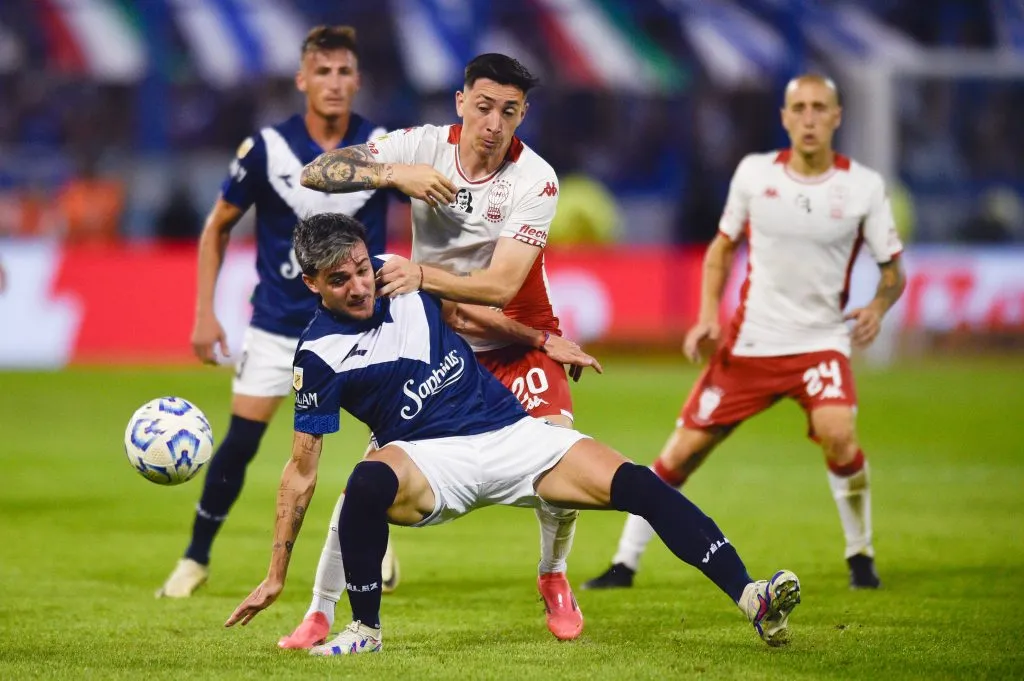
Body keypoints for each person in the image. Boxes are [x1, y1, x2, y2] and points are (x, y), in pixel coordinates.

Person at [224, 213, 801, 655]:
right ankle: (365, 629)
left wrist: (541, 340)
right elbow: (302, 468)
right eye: (339, 279)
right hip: (430, 461)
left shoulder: (397, 274)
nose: (358, 285)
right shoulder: (318, 355)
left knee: (639, 484)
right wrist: (276, 574)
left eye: (358, 266)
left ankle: (752, 598)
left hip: (512, 434)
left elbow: (465, 316)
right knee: (367, 482)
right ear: (312, 284)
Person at [277, 53, 602, 648]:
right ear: (461, 103)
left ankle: (553, 576)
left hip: (513, 327)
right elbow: (314, 173)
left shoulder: (537, 177)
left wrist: (423, 276)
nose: (494, 124)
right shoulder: (421, 146)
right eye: (483, 107)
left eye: (509, 112)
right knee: (365, 481)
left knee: (559, 450)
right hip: (437, 337)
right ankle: (320, 610)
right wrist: (391, 176)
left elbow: (502, 287)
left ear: (522, 114)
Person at [582, 75, 907, 592]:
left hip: (820, 343)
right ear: (783, 117)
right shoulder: (756, 175)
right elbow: (720, 248)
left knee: (839, 434)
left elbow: (894, 271)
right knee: (682, 452)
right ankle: (624, 564)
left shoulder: (863, 187)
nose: (808, 117)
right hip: (750, 346)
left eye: (819, 107)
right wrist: (708, 315)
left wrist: (878, 306)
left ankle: (860, 556)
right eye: (798, 107)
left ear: (837, 117)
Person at [157, 25, 394, 598]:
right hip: (277, 325)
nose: (334, 83)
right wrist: (204, 313)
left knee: (392, 442)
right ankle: (195, 557)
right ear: (302, 79)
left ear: (357, 80)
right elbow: (216, 227)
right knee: (239, 443)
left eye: (344, 72)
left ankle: (381, 547)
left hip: (361, 328)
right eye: (323, 71)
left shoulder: (386, 145)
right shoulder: (266, 148)